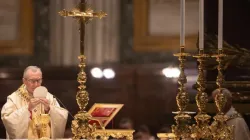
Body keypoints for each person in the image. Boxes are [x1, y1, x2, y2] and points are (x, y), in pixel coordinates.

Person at [1, 66, 68, 139]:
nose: (36, 84)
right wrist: (28, 109)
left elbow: (62, 117)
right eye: (32, 81)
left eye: (38, 80)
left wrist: (49, 109)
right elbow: (7, 120)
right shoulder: (14, 98)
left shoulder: (49, 97)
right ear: (24, 81)